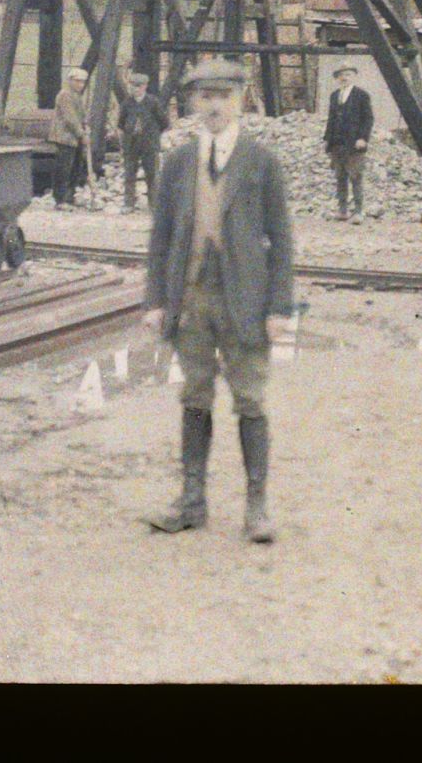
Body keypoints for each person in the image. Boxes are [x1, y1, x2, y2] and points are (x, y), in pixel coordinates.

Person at [143, 57, 295, 543]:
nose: (214, 106)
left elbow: (282, 240)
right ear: (191, 103)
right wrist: (156, 300)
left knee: (249, 399)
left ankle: (256, 506)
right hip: (191, 299)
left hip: (245, 301)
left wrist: (277, 307)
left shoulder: (262, 162)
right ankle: (192, 501)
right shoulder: (179, 163)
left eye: (223, 97)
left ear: (241, 100)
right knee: (195, 396)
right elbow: (161, 237)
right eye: (204, 97)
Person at [322, 61, 374, 222]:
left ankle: (358, 212)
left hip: (354, 144)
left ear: (354, 76)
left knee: (355, 176)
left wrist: (363, 138)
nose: (344, 78)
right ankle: (342, 210)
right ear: (337, 78)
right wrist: (327, 139)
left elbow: (368, 118)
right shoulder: (334, 96)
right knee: (340, 177)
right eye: (341, 75)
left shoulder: (361, 95)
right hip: (337, 144)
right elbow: (331, 119)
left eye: (348, 74)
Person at [118, 68, 171, 209]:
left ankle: (154, 205)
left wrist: (152, 135)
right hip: (131, 144)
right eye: (132, 86)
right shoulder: (127, 103)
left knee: (152, 175)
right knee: (130, 175)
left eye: (138, 86)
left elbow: (164, 122)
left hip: (149, 144)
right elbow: (121, 123)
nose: (135, 89)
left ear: (145, 86)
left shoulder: (153, 102)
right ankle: (128, 204)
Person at [50, 66, 88, 206]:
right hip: (65, 137)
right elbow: (70, 118)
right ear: (70, 81)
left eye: (83, 82)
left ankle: (69, 197)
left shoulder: (77, 96)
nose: (80, 84)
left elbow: (81, 116)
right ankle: (60, 199)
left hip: (75, 137)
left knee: (75, 168)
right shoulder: (64, 95)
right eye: (77, 81)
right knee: (63, 169)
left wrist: (85, 126)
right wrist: (81, 134)